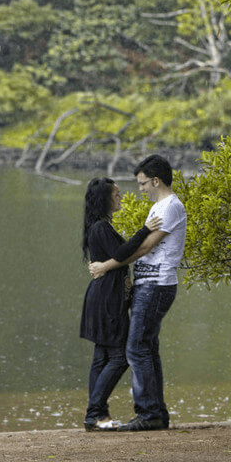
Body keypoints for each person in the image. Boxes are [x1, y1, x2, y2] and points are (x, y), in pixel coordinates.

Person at [89, 155, 187, 431]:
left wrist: (105, 267)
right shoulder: (159, 206)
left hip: (156, 285)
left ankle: (149, 414)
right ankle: (156, 412)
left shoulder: (169, 207)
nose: (140, 188)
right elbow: (140, 246)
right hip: (148, 284)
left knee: (135, 348)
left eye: (143, 183)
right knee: (147, 348)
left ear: (156, 181)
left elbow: (143, 248)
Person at [80, 177, 161, 432]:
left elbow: (116, 255)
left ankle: (98, 414)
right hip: (107, 300)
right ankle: (94, 412)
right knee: (120, 356)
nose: (121, 197)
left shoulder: (98, 226)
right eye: (116, 194)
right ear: (105, 198)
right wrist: (146, 229)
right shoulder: (101, 228)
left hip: (102, 297)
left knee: (102, 357)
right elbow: (123, 253)